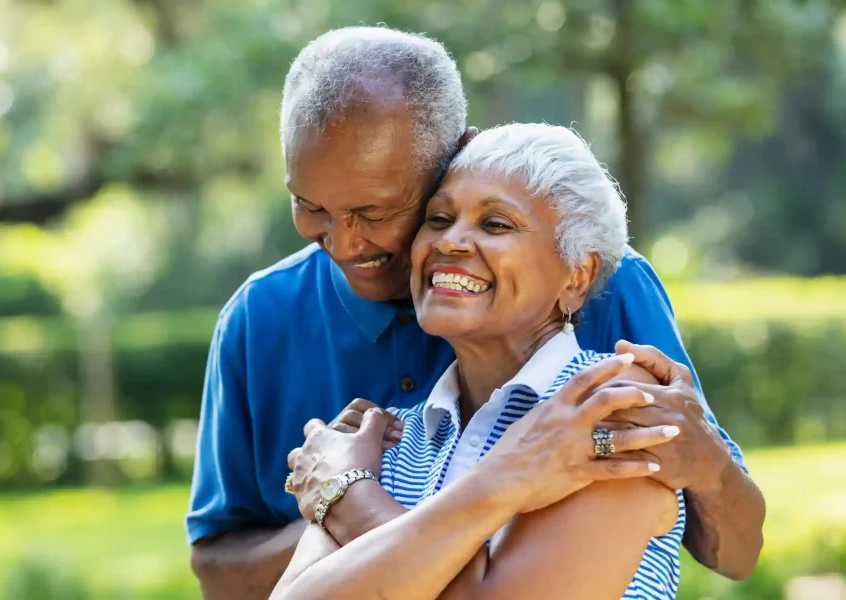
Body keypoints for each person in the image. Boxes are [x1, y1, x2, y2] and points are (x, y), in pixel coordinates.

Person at [187, 27, 765, 599]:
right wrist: (386, 496)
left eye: (375, 211)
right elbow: (237, 576)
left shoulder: (603, 387)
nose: (343, 243)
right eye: (310, 206)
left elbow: (733, 549)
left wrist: (346, 499)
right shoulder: (370, 425)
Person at [273, 123, 686, 600]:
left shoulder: (613, 406)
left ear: (576, 275)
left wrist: (348, 494)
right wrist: (510, 480)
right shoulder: (383, 436)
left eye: (495, 224)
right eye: (439, 219)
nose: (451, 243)